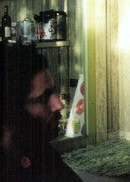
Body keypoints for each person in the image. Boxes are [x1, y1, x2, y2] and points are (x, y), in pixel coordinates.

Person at [1, 42, 81, 181]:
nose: (59, 105)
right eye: (43, 98)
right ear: (11, 109)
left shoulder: (39, 151)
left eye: (53, 91)